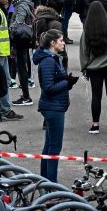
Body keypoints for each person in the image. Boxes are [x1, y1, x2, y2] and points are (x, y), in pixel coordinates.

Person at [34, 29, 79, 182]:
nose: (64, 43)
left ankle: (45, 184)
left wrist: (66, 81)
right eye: (61, 40)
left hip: (55, 106)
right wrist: (67, 83)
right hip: (53, 108)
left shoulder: (53, 58)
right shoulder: (48, 61)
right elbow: (48, 87)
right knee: (54, 149)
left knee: (48, 147)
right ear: (52, 43)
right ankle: (51, 186)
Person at [80, 2, 107, 134]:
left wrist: (85, 67)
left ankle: (95, 125)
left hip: (94, 68)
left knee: (96, 95)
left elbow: (84, 51)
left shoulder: (87, 30)